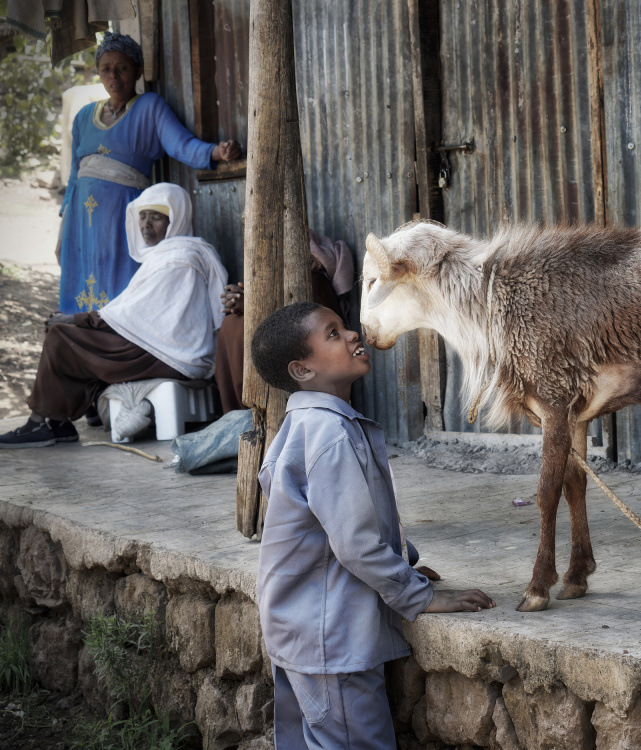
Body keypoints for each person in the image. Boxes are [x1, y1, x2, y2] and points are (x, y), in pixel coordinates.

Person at [251, 302, 495, 750]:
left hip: (300, 629)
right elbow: (355, 543)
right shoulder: (329, 433)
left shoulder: (304, 425)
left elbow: (335, 526)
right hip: (331, 640)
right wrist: (418, 596)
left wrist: (404, 564)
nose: (350, 335)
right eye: (332, 333)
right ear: (301, 370)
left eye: (343, 327)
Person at [0, 183, 227, 448]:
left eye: (155, 217)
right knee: (72, 336)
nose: (146, 225)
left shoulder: (178, 258)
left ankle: (41, 423)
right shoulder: (172, 254)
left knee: (62, 337)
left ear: (175, 219)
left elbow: (132, 315)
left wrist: (78, 320)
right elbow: (137, 317)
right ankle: (64, 421)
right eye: (142, 217)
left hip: (170, 356)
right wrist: (83, 321)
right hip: (163, 349)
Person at [57, 32, 240, 314]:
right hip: (80, 220)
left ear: (138, 71)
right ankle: (79, 345)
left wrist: (217, 152)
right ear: (98, 72)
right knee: (81, 283)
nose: (113, 76)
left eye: (122, 68)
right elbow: (73, 177)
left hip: (124, 214)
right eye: (106, 69)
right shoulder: (83, 116)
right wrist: (62, 226)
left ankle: (118, 349)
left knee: (121, 290)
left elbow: (181, 145)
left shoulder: (150, 107)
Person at [215, 230, 355, 414]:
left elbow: (300, 321)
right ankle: (242, 416)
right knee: (231, 323)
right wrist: (244, 301)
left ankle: (265, 414)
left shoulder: (314, 281)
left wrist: (254, 305)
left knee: (240, 326)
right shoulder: (273, 281)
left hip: (297, 376)